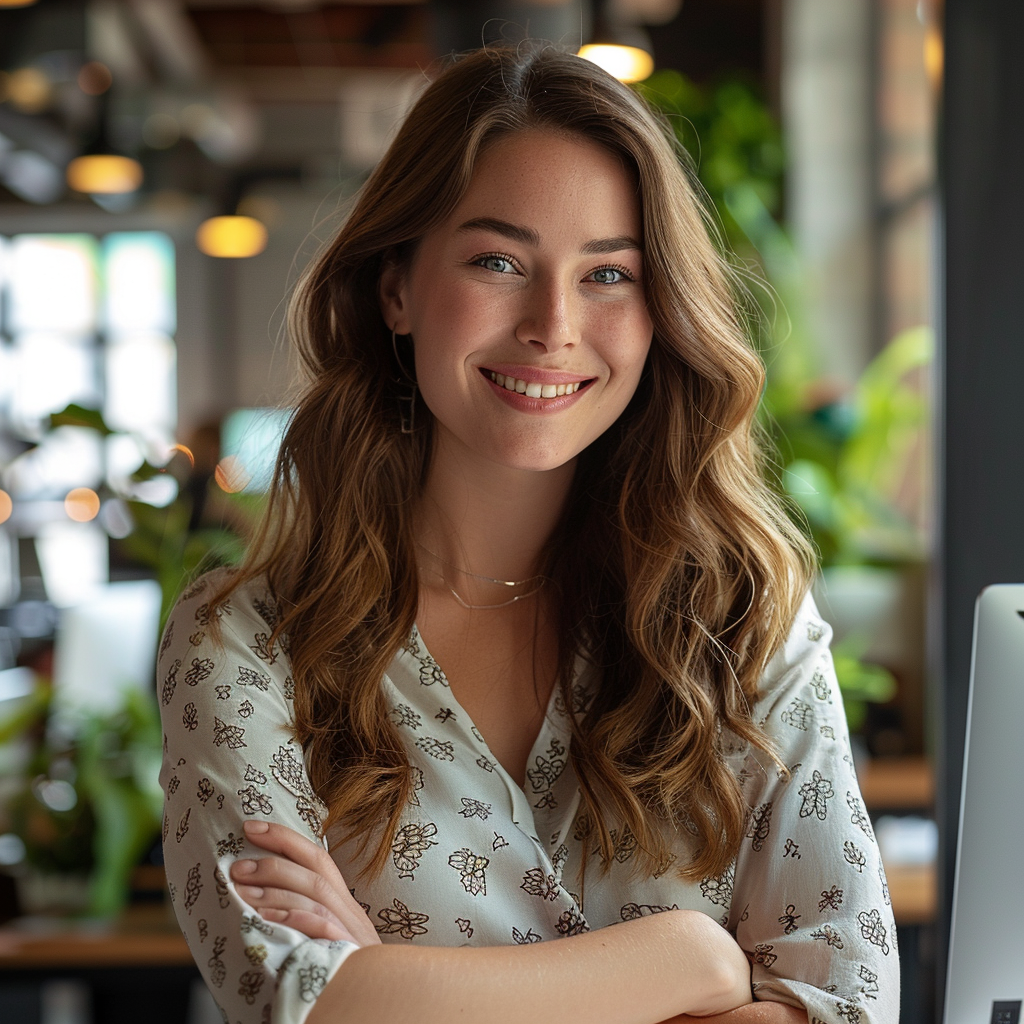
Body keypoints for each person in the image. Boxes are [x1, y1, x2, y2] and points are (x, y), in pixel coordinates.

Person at [158, 43, 899, 1024]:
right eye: (498, 260)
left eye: (607, 274)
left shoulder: (743, 614)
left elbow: (845, 1005)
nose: (553, 323)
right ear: (396, 288)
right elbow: (301, 1003)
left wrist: (393, 987)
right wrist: (691, 963)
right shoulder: (243, 644)